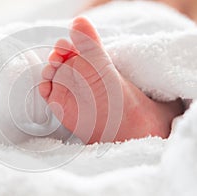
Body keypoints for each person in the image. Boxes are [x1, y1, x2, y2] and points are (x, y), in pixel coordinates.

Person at [38, 0, 193, 144]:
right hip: (164, 28)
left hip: (106, 28)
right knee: (177, 81)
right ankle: (159, 119)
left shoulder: (101, 5)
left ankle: (151, 117)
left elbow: (76, 21)